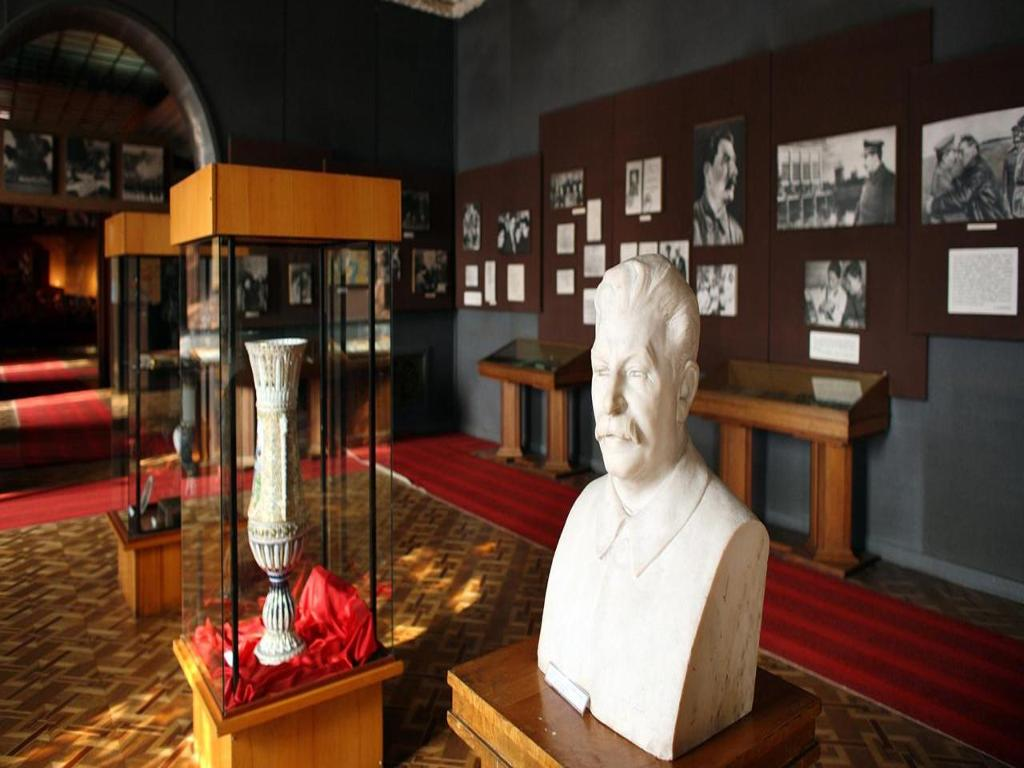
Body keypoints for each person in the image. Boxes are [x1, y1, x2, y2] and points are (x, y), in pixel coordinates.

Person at [538, 254, 768, 760]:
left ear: (684, 392)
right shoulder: (584, 512)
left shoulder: (726, 537)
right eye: (602, 370)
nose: (610, 402)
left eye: (637, 372)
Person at [928, 134, 1009, 222]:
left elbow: (963, 196)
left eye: (961, 152)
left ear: (974, 149)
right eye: (957, 152)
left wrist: (934, 205)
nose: (958, 157)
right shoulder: (970, 168)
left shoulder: (980, 171)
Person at [693, 127, 743, 245]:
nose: (735, 171)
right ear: (707, 171)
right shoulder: (691, 223)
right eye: (726, 160)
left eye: (734, 161)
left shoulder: (737, 234)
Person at [854, 140, 895, 225]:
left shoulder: (889, 179)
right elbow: (859, 207)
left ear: (875, 157)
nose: (864, 163)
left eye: (866, 157)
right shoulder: (867, 179)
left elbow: (890, 218)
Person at [841, 261, 865, 329]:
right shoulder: (849, 295)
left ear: (858, 279)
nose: (847, 287)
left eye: (849, 282)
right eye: (846, 283)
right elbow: (846, 317)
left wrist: (857, 323)